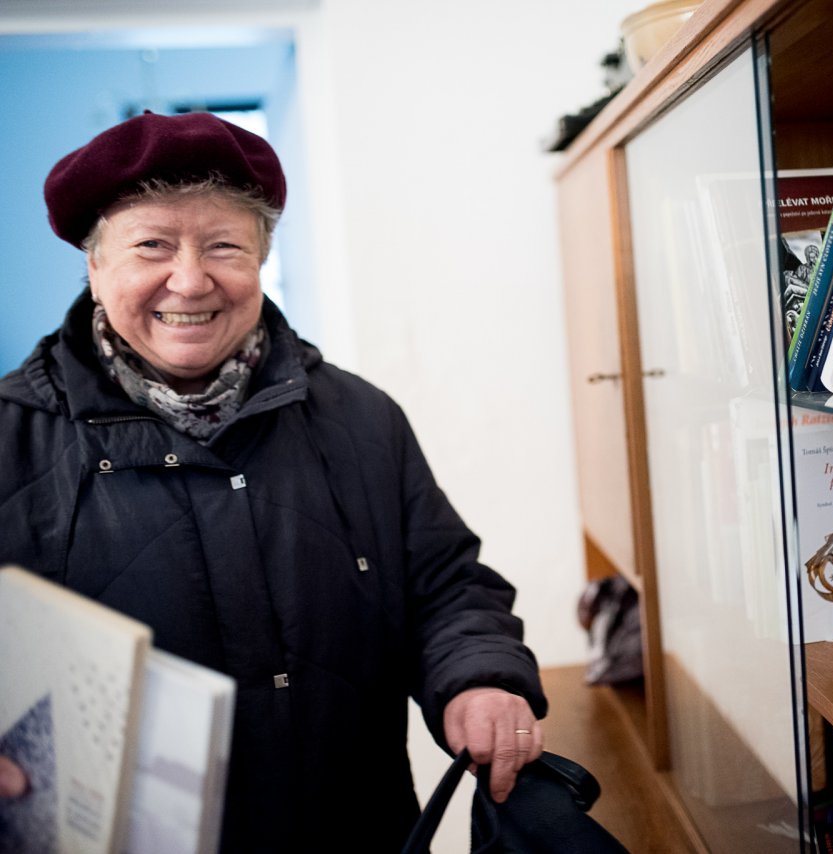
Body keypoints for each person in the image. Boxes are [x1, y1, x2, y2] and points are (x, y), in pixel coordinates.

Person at [0, 111, 547, 852]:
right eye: (152, 245)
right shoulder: (11, 437)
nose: (189, 279)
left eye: (223, 246)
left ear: (260, 257)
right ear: (95, 267)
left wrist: (480, 676)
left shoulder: (360, 417)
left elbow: (445, 586)